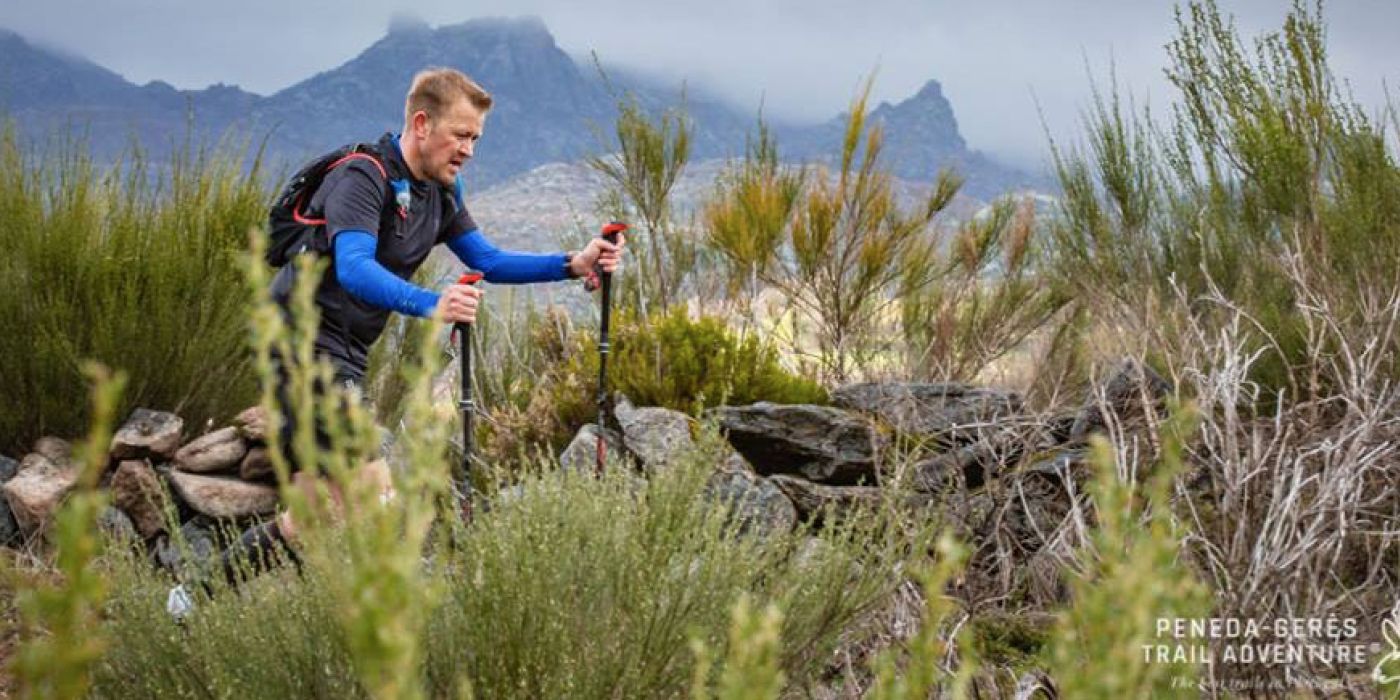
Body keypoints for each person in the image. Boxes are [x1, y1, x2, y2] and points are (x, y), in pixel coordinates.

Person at [167, 67, 625, 619]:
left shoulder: (440, 192)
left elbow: (488, 260)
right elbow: (355, 268)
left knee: (312, 516)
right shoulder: (364, 177)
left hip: (346, 351)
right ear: (421, 122)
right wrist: (434, 305)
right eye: (461, 134)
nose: (469, 150)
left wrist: (571, 264)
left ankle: (190, 600)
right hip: (301, 344)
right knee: (375, 496)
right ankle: (398, 639)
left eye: (476, 138)